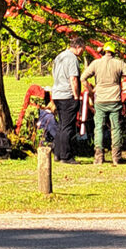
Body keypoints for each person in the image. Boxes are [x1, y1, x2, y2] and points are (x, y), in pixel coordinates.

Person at [81, 42, 126, 165]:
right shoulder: (119, 63)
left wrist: (91, 91)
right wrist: (125, 85)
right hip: (115, 99)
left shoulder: (96, 64)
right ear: (113, 52)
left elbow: (83, 78)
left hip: (100, 100)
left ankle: (99, 157)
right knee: (115, 128)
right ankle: (116, 157)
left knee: (98, 128)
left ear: (103, 51)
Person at [51, 35, 85, 164]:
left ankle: (57, 153)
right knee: (68, 127)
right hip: (67, 95)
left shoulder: (59, 57)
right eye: (82, 49)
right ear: (77, 47)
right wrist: (76, 96)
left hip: (57, 94)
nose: (82, 51)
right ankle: (66, 156)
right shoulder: (72, 59)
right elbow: (73, 79)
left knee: (61, 125)